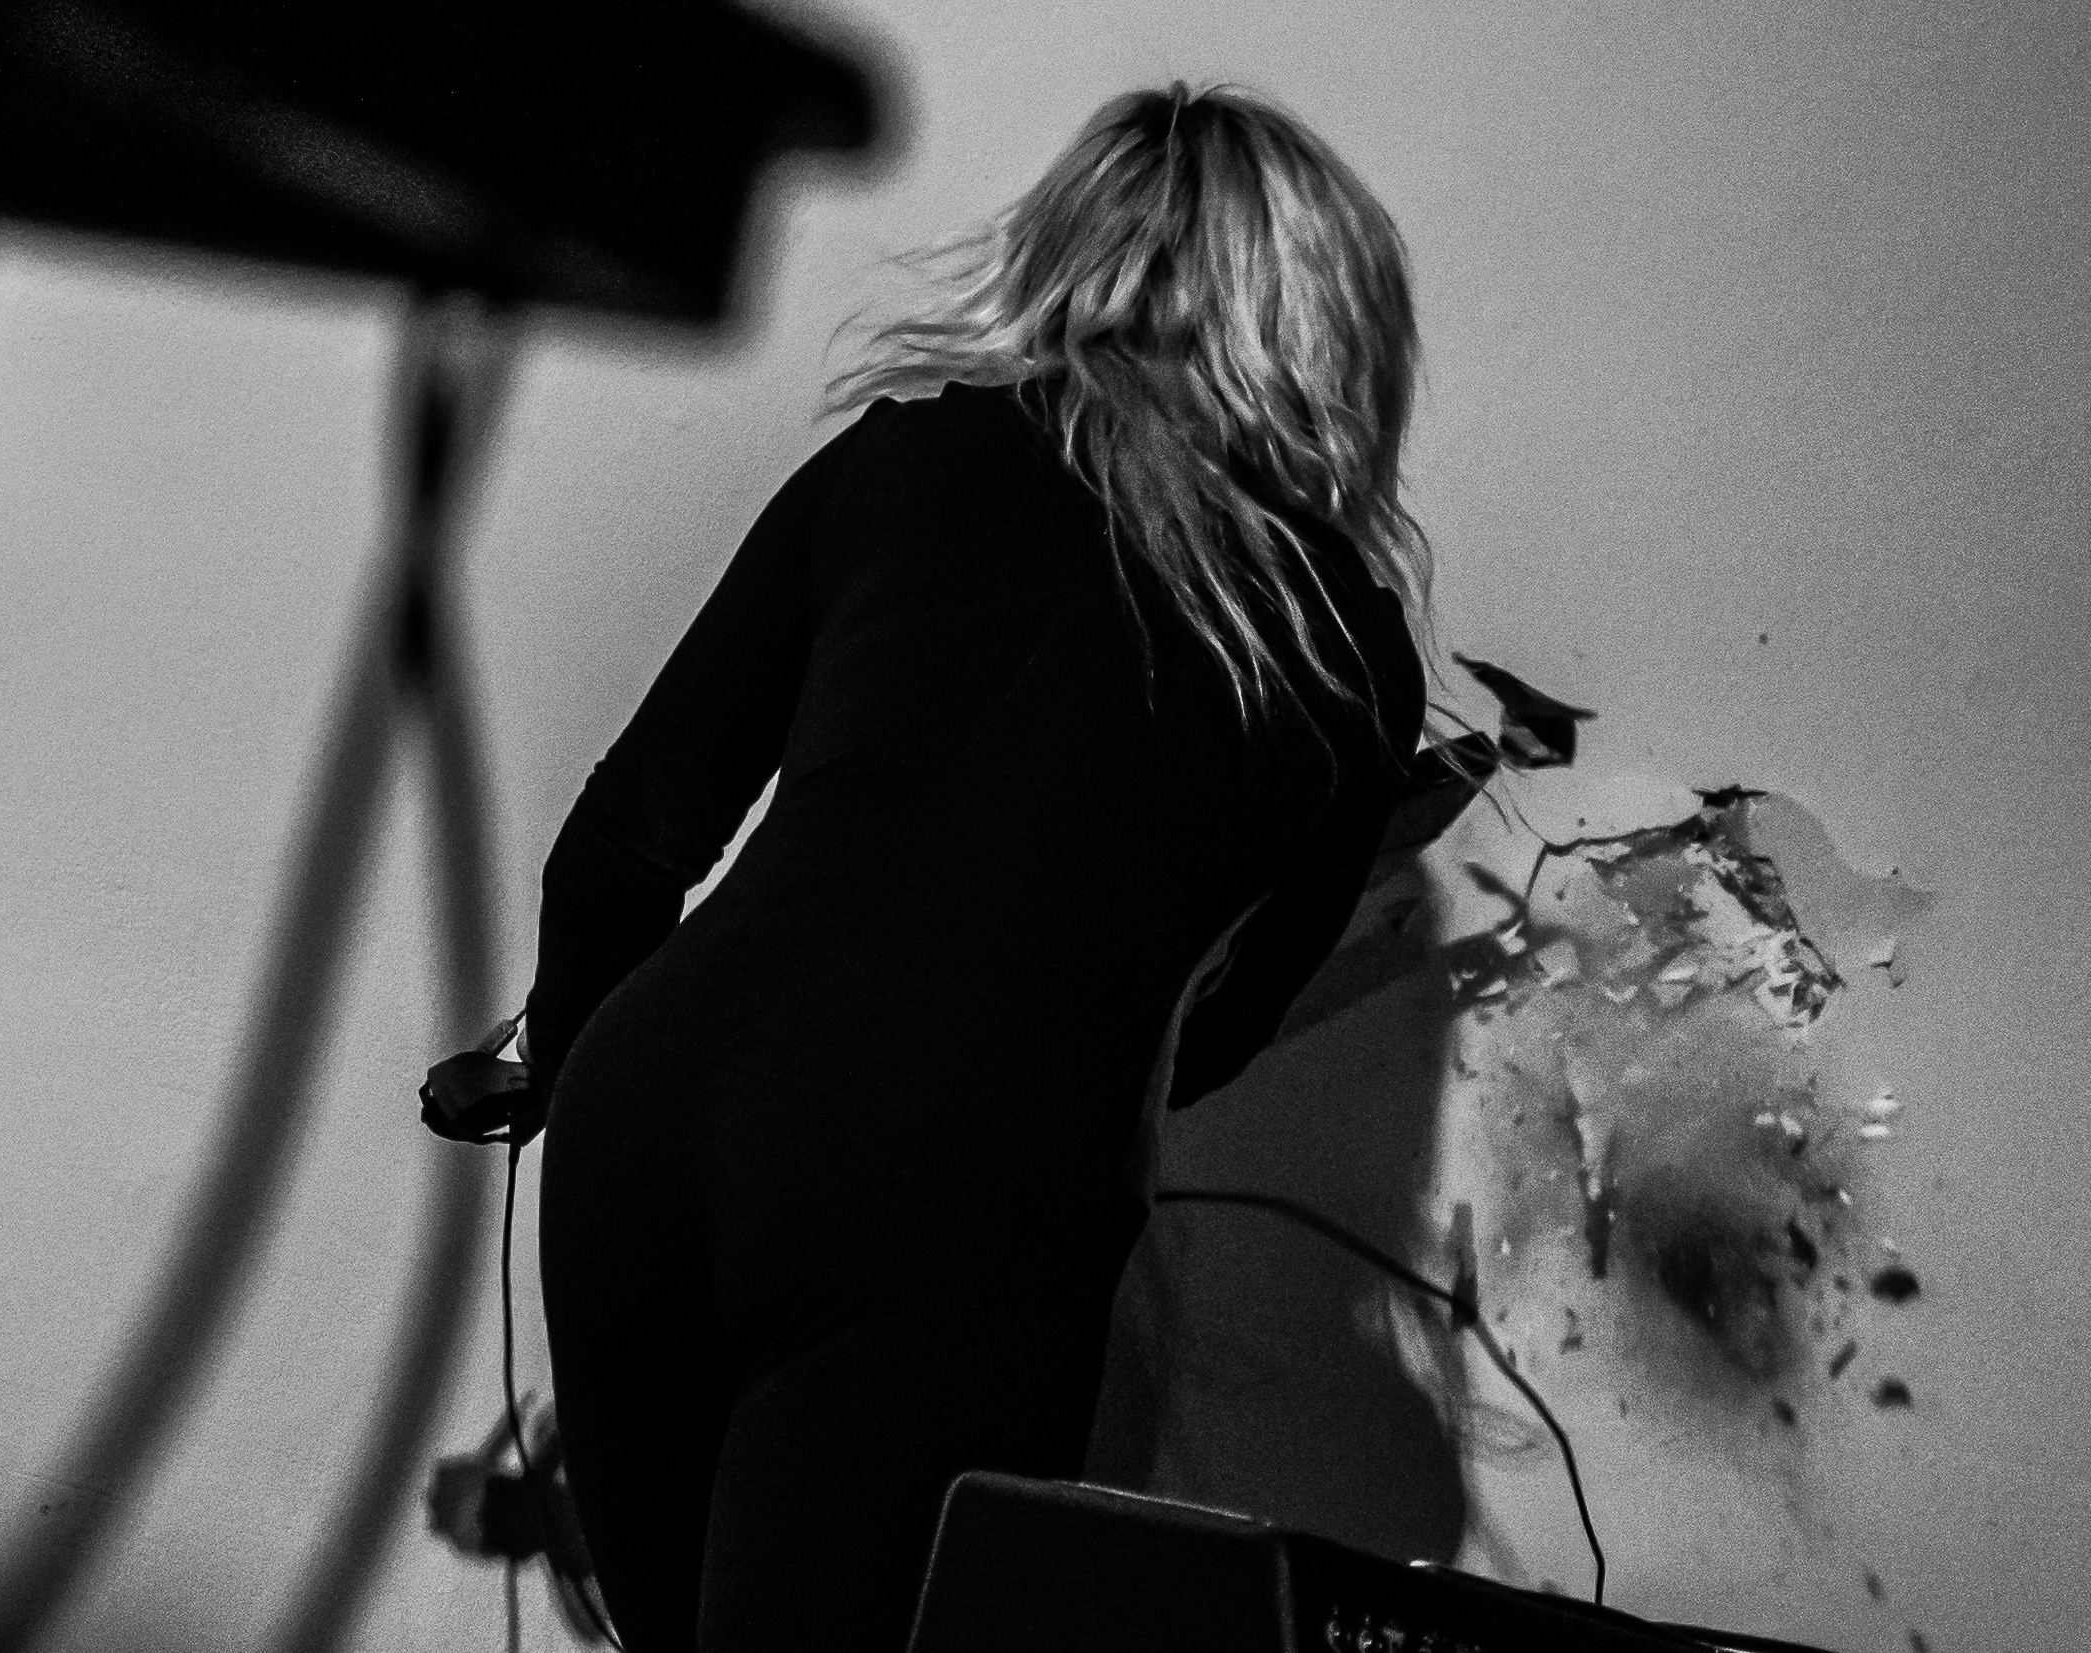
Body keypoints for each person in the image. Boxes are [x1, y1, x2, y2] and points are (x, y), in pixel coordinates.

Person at [524, 80, 1436, 1652]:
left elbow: (615, 851)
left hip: (646, 1119)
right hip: (942, 1191)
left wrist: (556, 1060)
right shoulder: (1337, 641)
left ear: (1068, 254)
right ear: (1330, 320)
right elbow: (1215, 1033)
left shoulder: (894, 464)